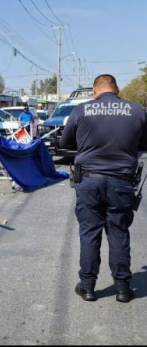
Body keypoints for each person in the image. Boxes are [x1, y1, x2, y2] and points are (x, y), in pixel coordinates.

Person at [60, 74, 147, 303]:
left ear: (94, 90)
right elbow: (144, 143)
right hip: (122, 181)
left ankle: (88, 287)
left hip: (88, 181)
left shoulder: (81, 110)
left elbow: (64, 143)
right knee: (119, 233)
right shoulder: (137, 110)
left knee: (90, 233)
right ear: (116, 88)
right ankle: (123, 289)